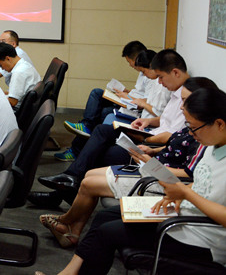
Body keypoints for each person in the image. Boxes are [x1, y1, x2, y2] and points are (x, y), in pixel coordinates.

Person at [36, 86, 226, 275]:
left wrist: (186, 193)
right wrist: (181, 194)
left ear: (219, 124)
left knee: (107, 233)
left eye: (193, 128)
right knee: (105, 216)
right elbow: (203, 182)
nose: (191, 134)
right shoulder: (212, 145)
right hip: (183, 217)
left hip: (202, 239)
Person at [37, 49, 191, 197]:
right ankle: (68, 179)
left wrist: (145, 138)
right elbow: (165, 119)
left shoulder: (188, 99)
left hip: (151, 143)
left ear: (175, 73)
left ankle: (64, 187)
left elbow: (173, 136)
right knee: (101, 130)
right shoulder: (178, 92)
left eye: (161, 77)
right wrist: (148, 121)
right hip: (150, 135)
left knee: (100, 152)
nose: (160, 82)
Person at [55, 41, 149, 162]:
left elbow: (146, 102)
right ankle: (84, 129)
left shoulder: (151, 75)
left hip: (133, 108)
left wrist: (128, 97)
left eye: (129, 61)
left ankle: (80, 140)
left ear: (136, 58)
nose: (130, 65)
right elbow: (141, 92)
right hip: (129, 101)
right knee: (97, 95)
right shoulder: (143, 72)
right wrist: (127, 91)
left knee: (101, 110)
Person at [100, 49, 171, 125]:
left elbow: (159, 113)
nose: (144, 75)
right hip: (143, 119)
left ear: (151, 67)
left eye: (144, 71)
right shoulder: (155, 81)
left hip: (147, 124)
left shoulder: (162, 86)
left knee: (108, 118)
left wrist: (141, 103)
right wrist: (138, 100)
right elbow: (150, 100)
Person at [0, 42, 41, 108]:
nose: (2, 69)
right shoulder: (25, 65)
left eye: (1, 65)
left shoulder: (18, 72)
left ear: (8, 59)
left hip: (16, 110)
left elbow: (12, 102)